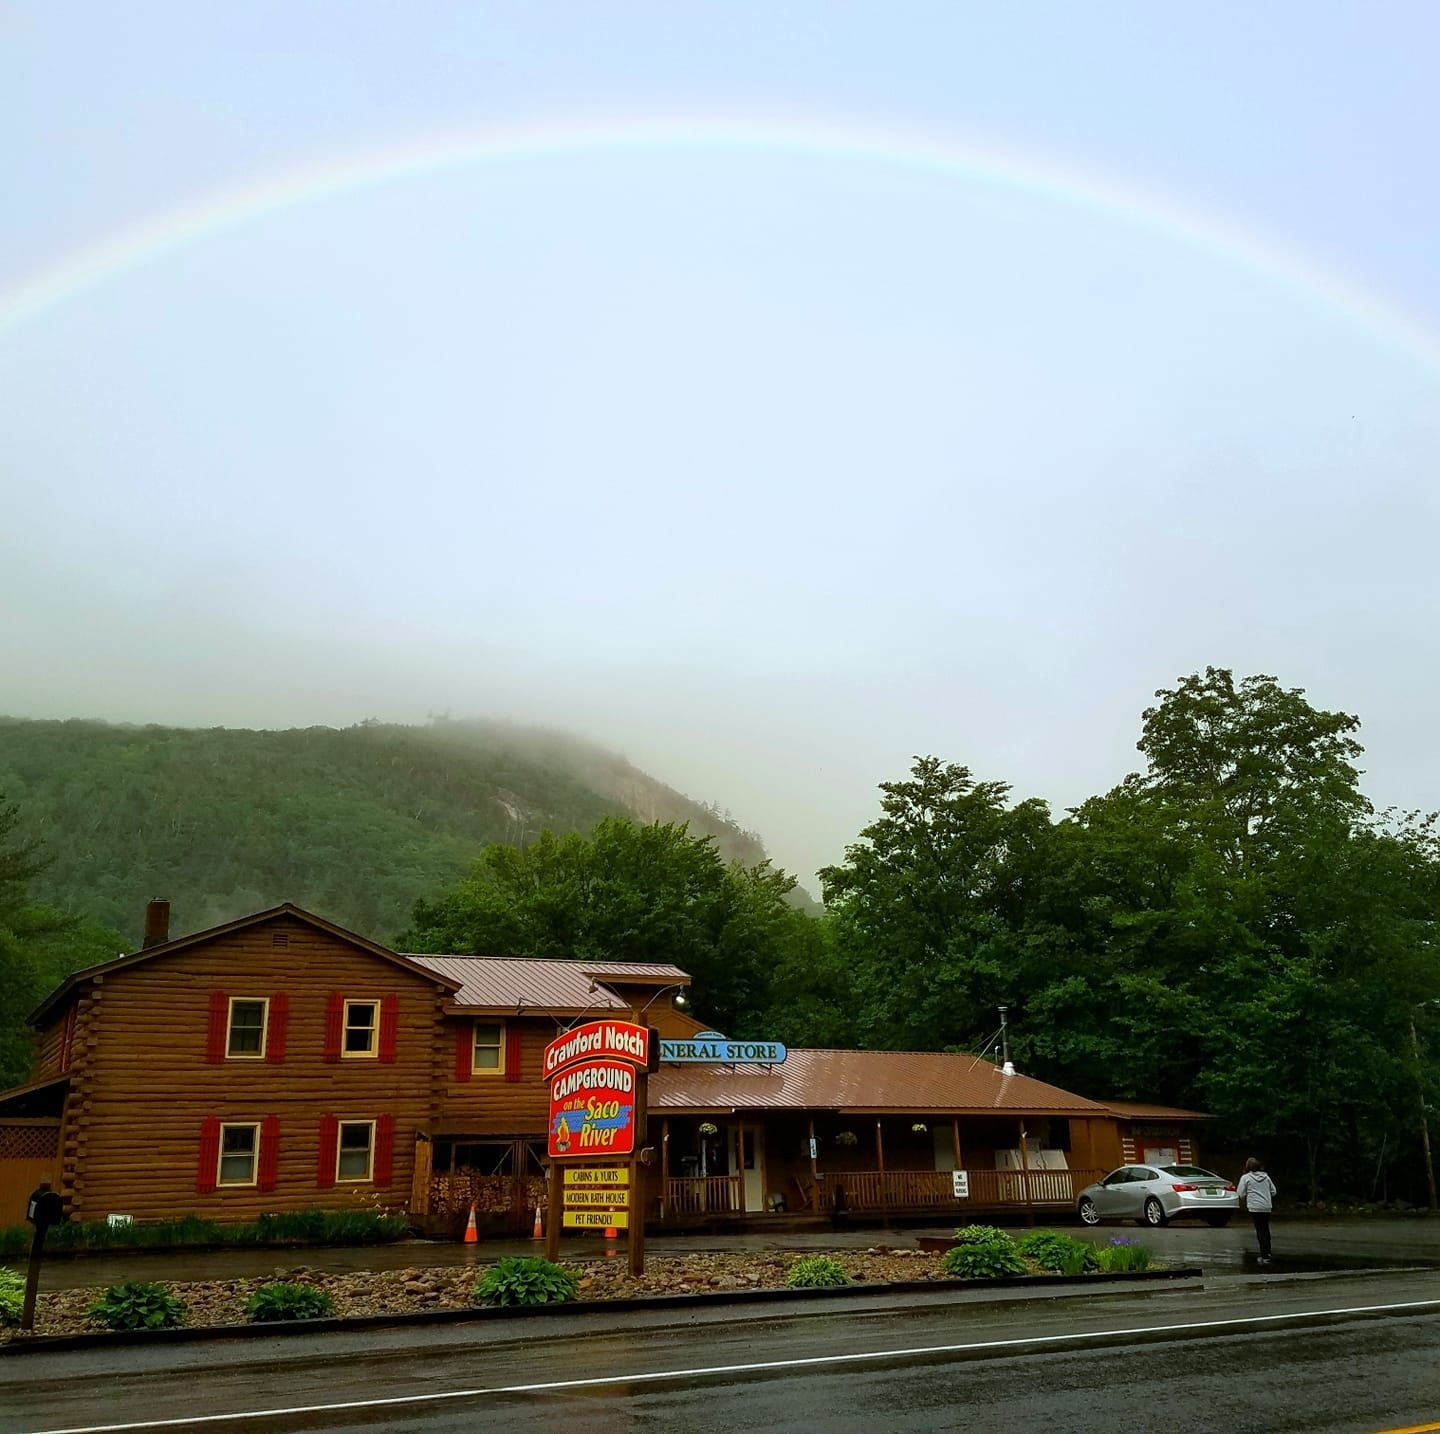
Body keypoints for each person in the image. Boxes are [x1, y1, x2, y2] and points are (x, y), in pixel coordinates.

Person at [1236, 1157, 1278, 1263]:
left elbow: (1240, 1193)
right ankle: (1268, 1252)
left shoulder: (1245, 1178)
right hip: (1267, 1206)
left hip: (1255, 1207)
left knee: (1260, 1230)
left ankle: (1264, 1256)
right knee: (1266, 1229)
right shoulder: (1266, 1177)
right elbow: (1274, 1191)